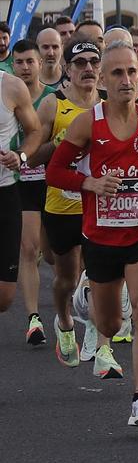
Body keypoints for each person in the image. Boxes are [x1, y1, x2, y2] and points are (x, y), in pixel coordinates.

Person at [45, 41, 138, 424]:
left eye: (132, 72)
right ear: (104, 81)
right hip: (101, 236)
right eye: (118, 73)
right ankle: (88, 297)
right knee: (109, 324)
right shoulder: (86, 123)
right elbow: (55, 171)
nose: (127, 80)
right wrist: (89, 183)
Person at [30, 39, 102, 367]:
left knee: (99, 274)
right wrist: (59, 146)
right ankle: (64, 320)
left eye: (93, 62)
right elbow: (33, 153)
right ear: (68, 70)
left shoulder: (108, 105)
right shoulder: (52, 105)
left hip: (98, 205)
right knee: (66, 279)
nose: (88, 68)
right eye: (80, 63)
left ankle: (97, 335)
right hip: (62, 205)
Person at [10, 40, 50, 343]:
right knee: (27, 248)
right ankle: (33, 318)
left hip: (54, 182)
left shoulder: (52, 99)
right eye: (19, 62)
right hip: (22, 182)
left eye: (30, 62)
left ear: (40, 65)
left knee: (54, 254)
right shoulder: (8, 97)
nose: (25, 68)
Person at [0, 52, 44, 322]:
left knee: (4, 297)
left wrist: (21, 156)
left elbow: (35, 131)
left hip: (5, 191)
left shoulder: (11, 86)